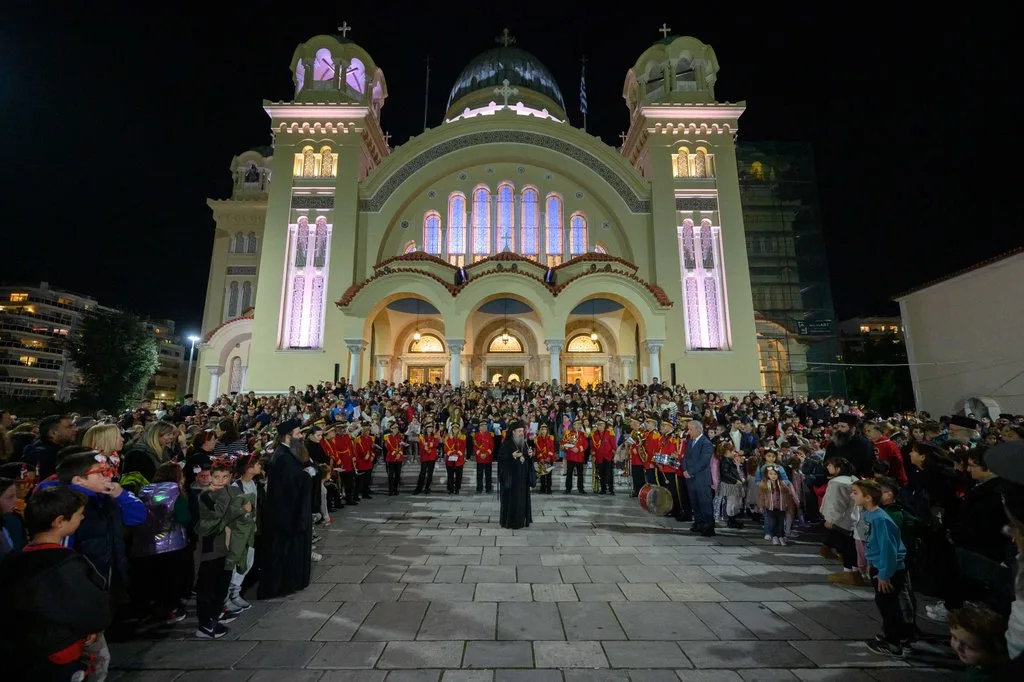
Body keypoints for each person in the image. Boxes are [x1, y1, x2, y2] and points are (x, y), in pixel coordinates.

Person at [0, 486, 112, 681]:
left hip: (25, 650)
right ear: (59, 521)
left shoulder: (13, 560)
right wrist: (94, 626)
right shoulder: (66, 563)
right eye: (78, 515)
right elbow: (91, 605)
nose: (82, 518)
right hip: (62, 649)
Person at [852, 479, 915, 657]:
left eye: (855, 492)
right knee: (885, 603)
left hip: (887, 570)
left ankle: (894, 643)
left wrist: (884, 574)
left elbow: (889, 549)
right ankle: (893, 637)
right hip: (879, 567)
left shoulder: (880, 519)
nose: (852, 495)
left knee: (889, 606)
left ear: (868, 498)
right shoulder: (870, 515)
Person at [257, 419, 315, 600]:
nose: (301, 436)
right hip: (286, 513)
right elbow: (291, 484)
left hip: (291, 510)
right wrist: (307, 475)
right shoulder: (282, 456)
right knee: (283, 550)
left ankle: (292, 581)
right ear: (288, 435)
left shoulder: (288, 453)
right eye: (298, 433)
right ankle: (283, 584)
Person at [496, 421, 532, 529]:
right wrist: (511, 455)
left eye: (523, 431)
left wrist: (530, 455)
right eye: (519, 431)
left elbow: (525, 459)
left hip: (522, 479)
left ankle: (521, 520)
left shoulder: (524, 443)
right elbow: (500, 458)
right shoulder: (506, 444)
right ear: (513, 432)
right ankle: (510, 522)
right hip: (511, 479)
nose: (522, 433)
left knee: (521, 500)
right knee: (512, 501)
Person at [684, 420, 715, 537]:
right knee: (695, 502)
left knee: (705, 503)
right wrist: (685, 469)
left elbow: (704, 461)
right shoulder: (690, 441)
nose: (688, 432)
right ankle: (699, 523)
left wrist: (690, 471)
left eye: (690, 429)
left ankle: (709, 527)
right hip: (690, 478)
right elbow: (685, 457)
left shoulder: (706, 443)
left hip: (701, 479)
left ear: (698, 429)